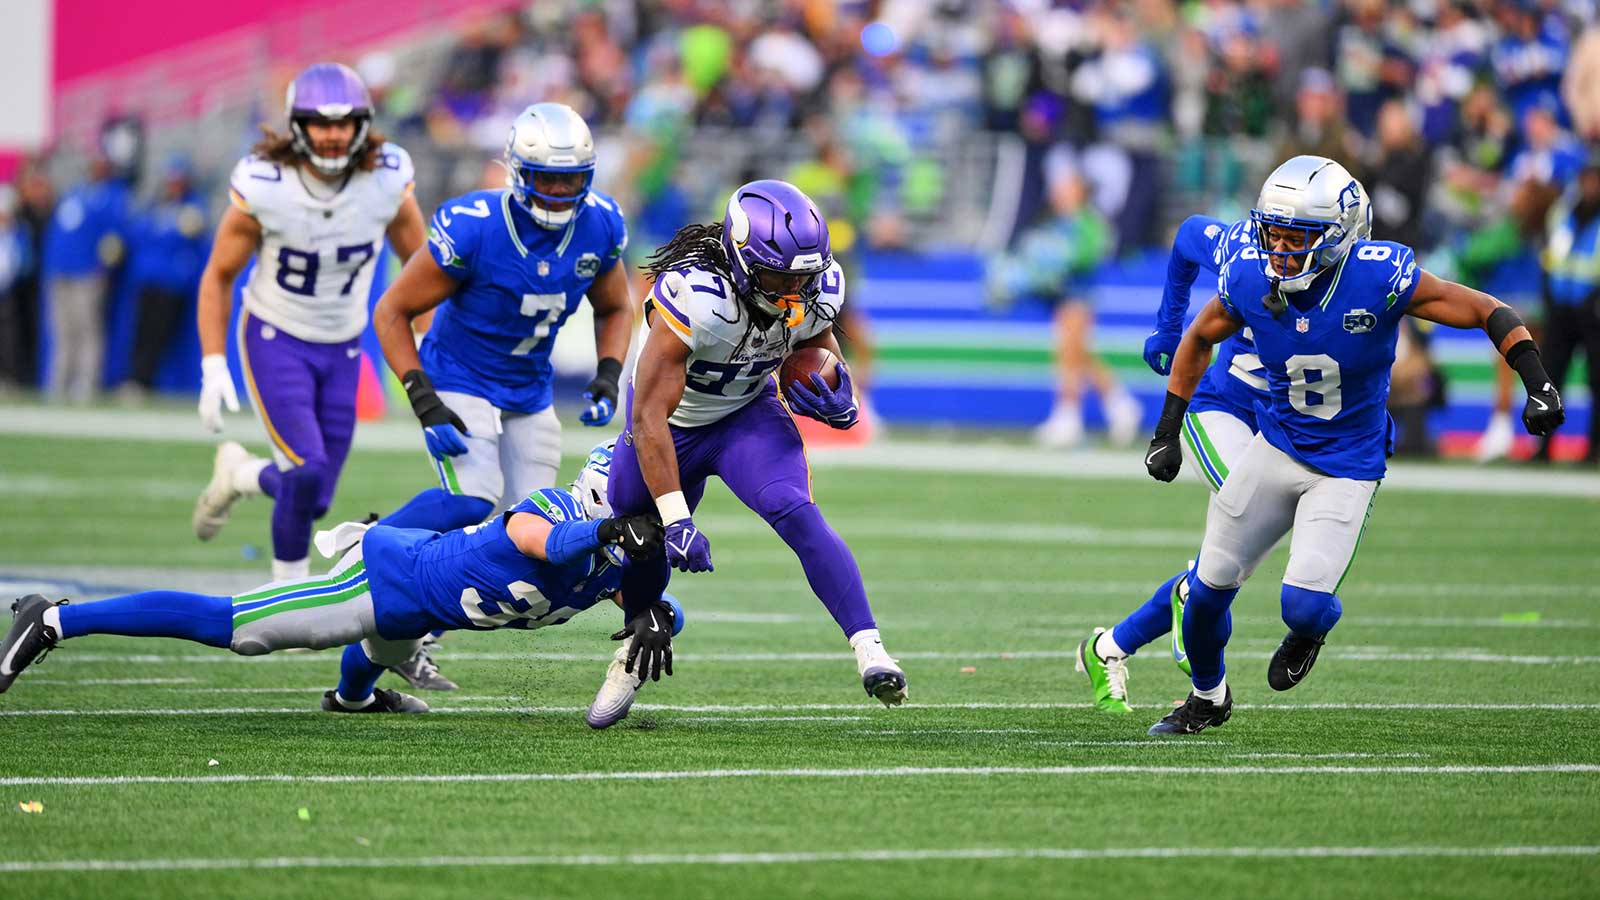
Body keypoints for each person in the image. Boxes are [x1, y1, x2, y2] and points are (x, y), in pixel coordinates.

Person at [1137, 155, 1562, 735]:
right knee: (1207, 592)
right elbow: (1200, 336)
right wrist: (1166, 431)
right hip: (1278, 445)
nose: (1280, 251)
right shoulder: (1250, 274)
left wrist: (1537, 382)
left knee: (1303, 606)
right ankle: (1207, 699)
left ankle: (1310, 632)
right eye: (1273, 234)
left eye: (1297, 238)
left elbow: (1488, 310)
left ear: (1339, 236)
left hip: (1347, 466)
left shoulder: (1378, 277)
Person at [0, 446, 672, 716]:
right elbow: (545, 541)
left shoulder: (614, 566)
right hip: (386, 577)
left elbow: (649, 604)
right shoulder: (559, 511)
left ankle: (352, 701)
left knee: (382, 648)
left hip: (416, 608)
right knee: (243, 631)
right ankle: (54, 618)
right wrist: (611, 533)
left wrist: (657, 616)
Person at [585, 180, 907, 730]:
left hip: (745, 415)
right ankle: (638, 636)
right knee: (641, 536)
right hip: (672, 427)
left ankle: (870, 647)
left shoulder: (815, 286)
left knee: (797, 512)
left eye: (804, 276)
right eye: (781, 277)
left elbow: (814, 344)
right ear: (741, 260)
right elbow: (647, 416)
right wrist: (676, 517)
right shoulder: (697, 297)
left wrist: (835, 387)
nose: (794, 290)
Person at [190, 63, 427, 585]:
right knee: (308, 471)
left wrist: (431, 344)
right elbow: (219, 275)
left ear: (362, 123)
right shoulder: (266, 183)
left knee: (315, 495)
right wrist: (212, 364)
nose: (333, 133)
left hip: (343, 344)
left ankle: (241, 474)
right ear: (297, 125)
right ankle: (286, 596)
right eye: (320, 122)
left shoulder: (386, 177)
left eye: (344, 122)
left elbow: (424, 267)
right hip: (276, 336)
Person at [370, 102, 631, 536]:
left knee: (533, 519)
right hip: (458, 375)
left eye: (571, 178)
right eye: (546, 176)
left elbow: (616, 307)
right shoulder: (474, 226)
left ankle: (483, 600)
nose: (559, 190)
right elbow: (392, 310)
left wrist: (608, 372)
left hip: (528, 386)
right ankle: (363, 547)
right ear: (518, 171)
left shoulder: (600, 224)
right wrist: (423, 398)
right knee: (471, 498)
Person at [40, 154, 130, 404]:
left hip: (87, 272)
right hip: (60, 270)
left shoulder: (112, 197)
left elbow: (115, 239)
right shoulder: (75, 192)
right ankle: (58, 380)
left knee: (87, 328)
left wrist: (103, 266)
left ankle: (86, 381)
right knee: (61, 329)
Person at [121, 156, 209, 396]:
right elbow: (138, 233)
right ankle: (136, 379)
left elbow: (192, 235)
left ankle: (148, 381)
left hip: (170, 283)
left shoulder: (193, 206)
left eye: (178, 180)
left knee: (159, 335)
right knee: (141, 332)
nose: (173, 185)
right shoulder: (156, 207)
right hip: (147, 279)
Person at [1538, 152, 1600, 463]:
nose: (1591, 185)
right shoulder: (1563, 212)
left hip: (1594, 311)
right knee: (1550, 378)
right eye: (1587, 178)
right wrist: (1548, 293)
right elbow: (1549, 256)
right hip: (1562, 309)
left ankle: (1593, 448)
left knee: (1597, 381)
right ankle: (1544, 446)